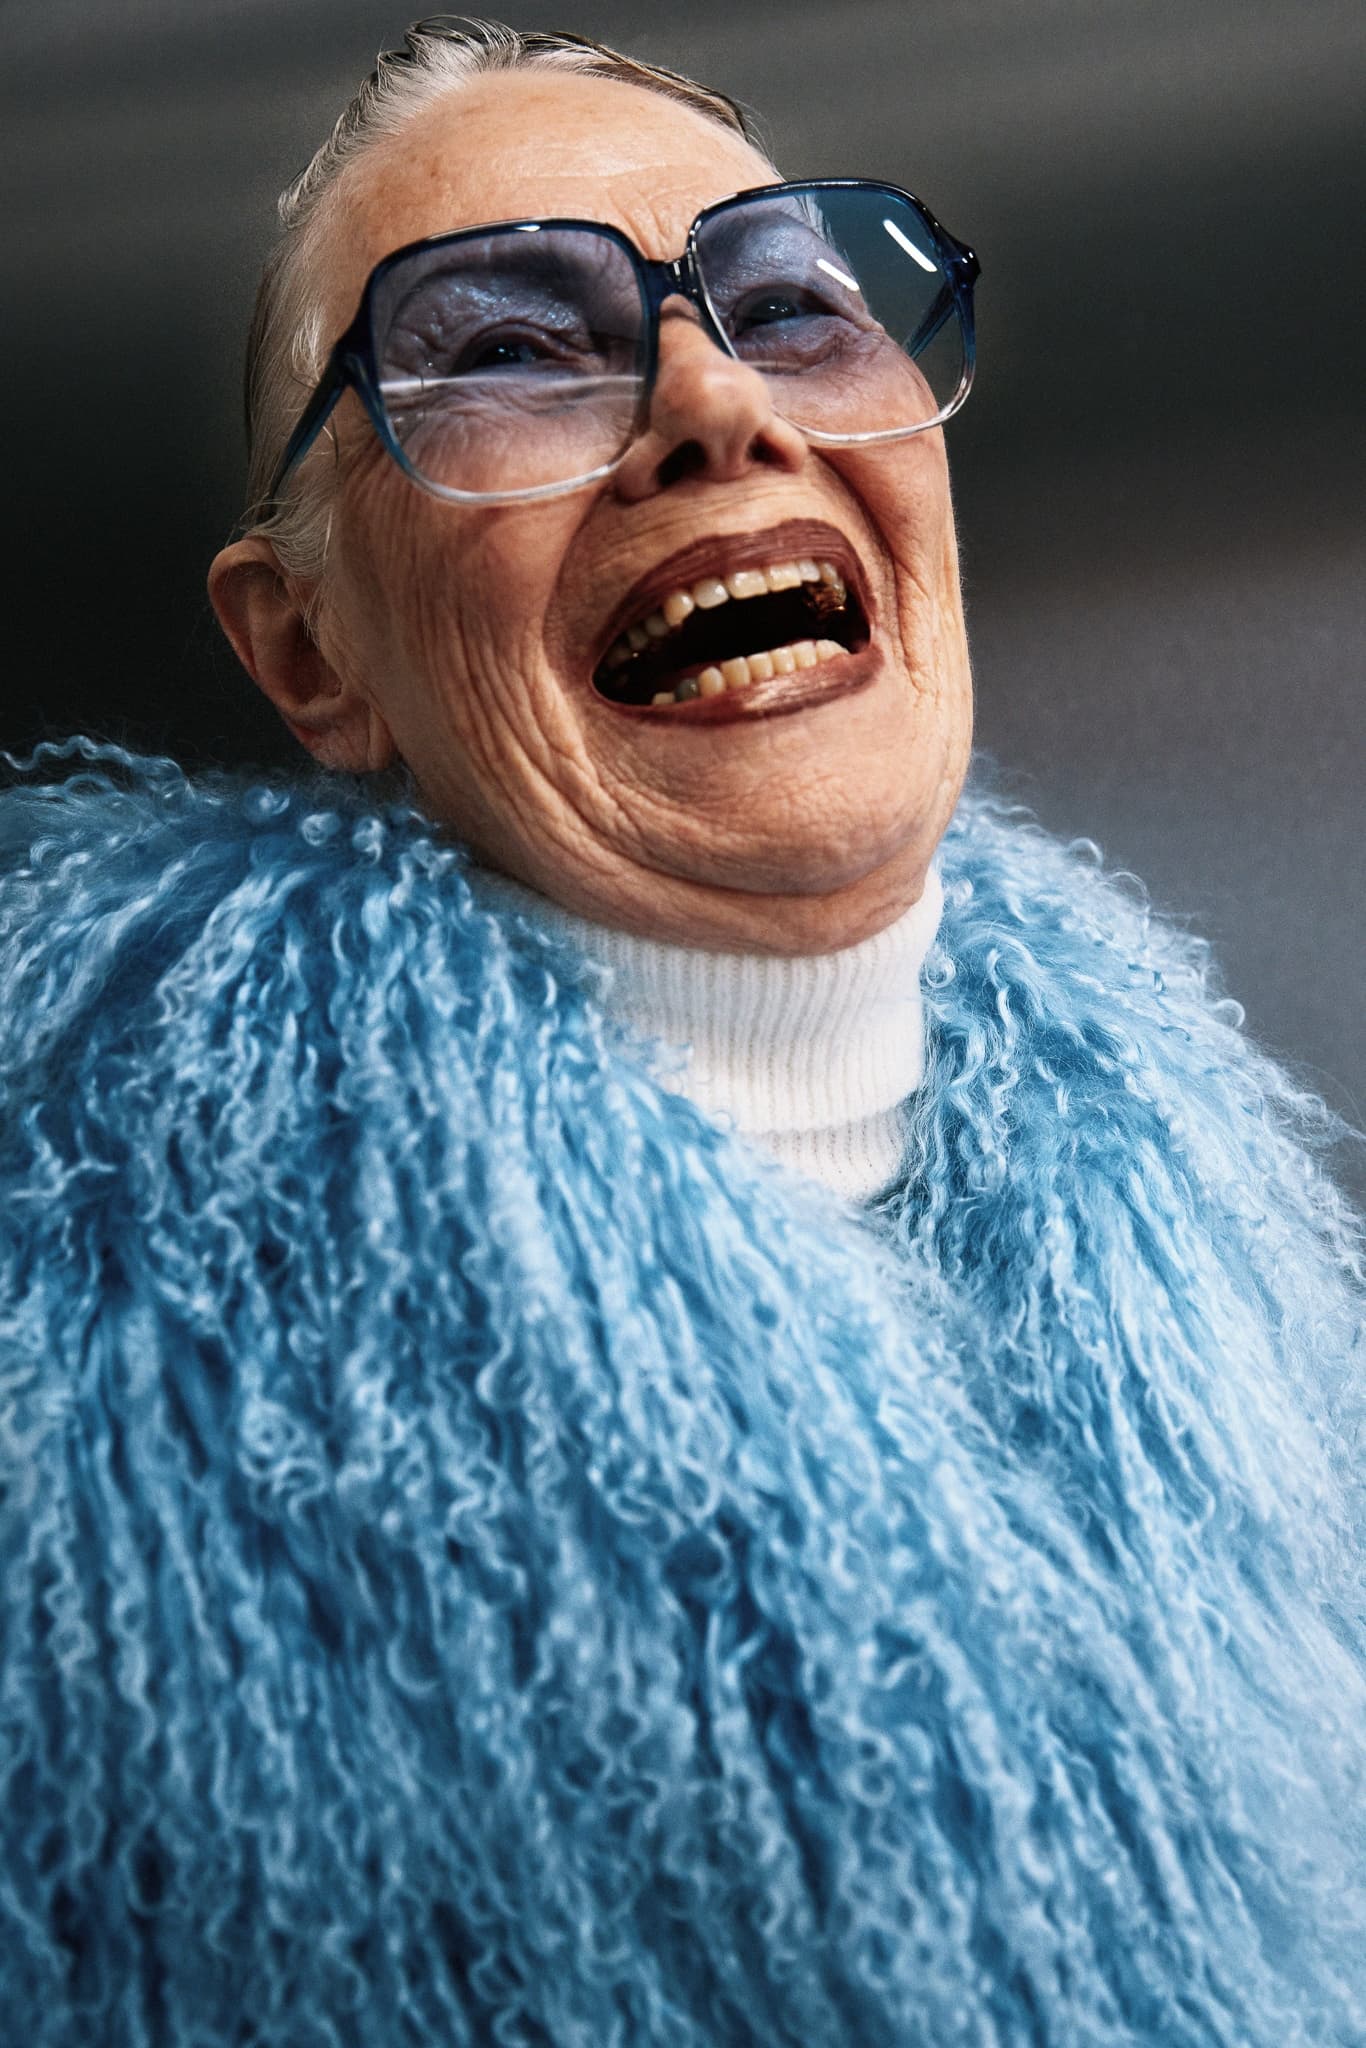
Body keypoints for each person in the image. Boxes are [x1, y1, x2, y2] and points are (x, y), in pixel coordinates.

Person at [2, 21, 1362, 2045]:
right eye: (505, 348)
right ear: (310, 650)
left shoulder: (1257, 1325)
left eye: (795, 306)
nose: (712, 402)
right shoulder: (78, 1461)